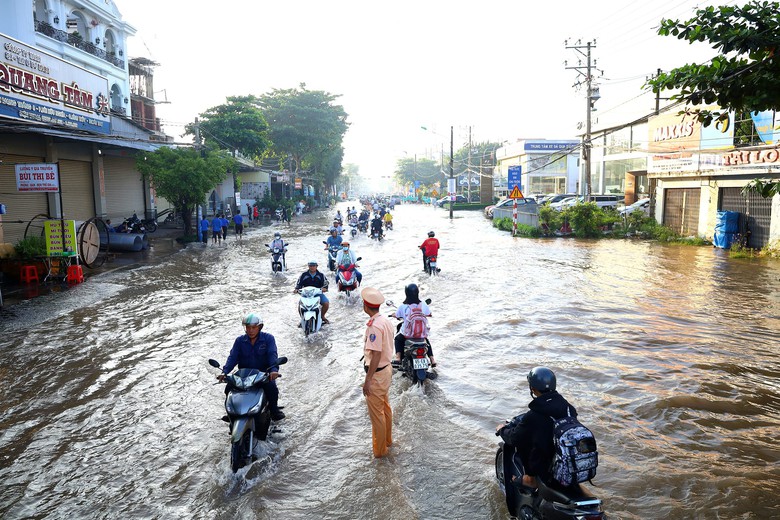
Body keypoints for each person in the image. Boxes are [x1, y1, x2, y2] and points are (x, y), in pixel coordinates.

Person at [495, 367, 577, 490]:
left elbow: (514, 438)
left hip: (546, 466)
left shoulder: (534, 416)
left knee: (525, 442)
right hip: (568, 460)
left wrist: (502, 430)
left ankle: (530, 479)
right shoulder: (569, 409)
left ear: (532, 389)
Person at [217, 313, 285, 421]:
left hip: (262, 375)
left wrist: (273, 371)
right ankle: (232, 414)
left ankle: (273, 410)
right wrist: (224, 372)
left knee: (272, 389)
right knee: (228, 388)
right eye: (248, 327)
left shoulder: (268, 339)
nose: (250, 330)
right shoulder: (239, 341)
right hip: (243, 376)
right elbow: (233, 357)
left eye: (254, 327)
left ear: (260, 327)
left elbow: (272, 355)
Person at [360, 287, 395, 458]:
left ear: (366, 306)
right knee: (385, 409)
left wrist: (367, 380)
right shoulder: (385, 321)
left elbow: (375, 355)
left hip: (377, 373)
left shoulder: (374, 327)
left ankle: (380, 452)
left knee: (377, 415)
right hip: (387, 370)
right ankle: (388, 441)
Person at [392, 283, 436, 366]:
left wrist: (394, 314)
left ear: (406, 293)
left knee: (397, 338)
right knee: (426, 340)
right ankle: (432, 359)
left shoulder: (403, 306)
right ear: (417, 293)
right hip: (421, 334)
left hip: (408, 334)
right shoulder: (423, 304)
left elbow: (397, 315)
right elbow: (429, 314)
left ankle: (398, 357)